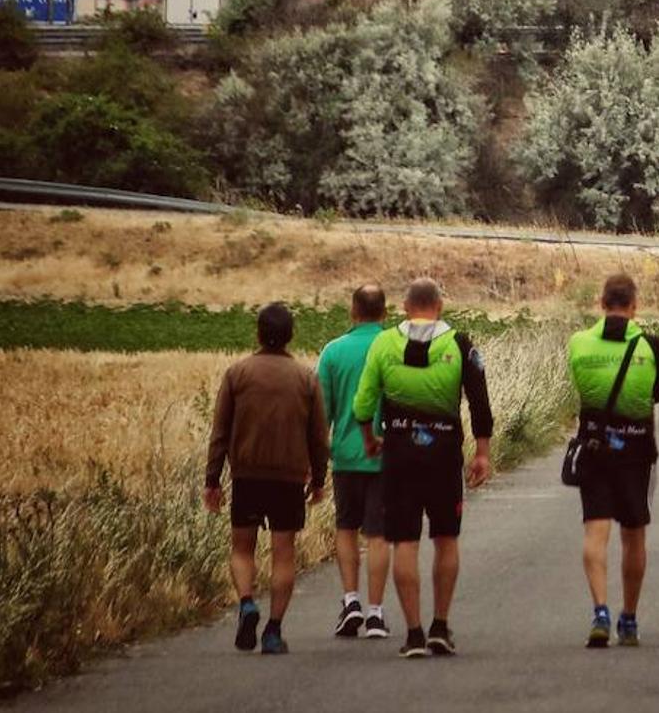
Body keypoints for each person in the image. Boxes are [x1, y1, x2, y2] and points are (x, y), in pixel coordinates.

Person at [353, 278, 493, 659]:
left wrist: (369, 437)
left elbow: (363, 404)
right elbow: (479, 401)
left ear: (403, 305)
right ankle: (440, 626)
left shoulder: (384, 343)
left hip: (398, 450)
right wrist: (482, 452)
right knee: (446, 538)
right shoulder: (460, 344)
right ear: (441, 305)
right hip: (444, 451)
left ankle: (413, 633)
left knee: (405, 542)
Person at [204, 303, 331, 655]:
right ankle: (273, 631)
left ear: (257, 332)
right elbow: (318, 437)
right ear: (291, 335)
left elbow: (220, 432)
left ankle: (246, 603)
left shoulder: (237, 374)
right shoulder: (306, 378)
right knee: (283, 554)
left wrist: (212, 479)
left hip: (247, 476)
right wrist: (318, 478)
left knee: (242, 548)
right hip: (289, 479)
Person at [568, 274, 659, 648]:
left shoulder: (579, 343)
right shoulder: (652, 345)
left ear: (601, 302)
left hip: (594, 447)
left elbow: (580, 386)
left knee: (595, 531)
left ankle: (600, 611)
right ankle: (628, 617)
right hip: (637, 450)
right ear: (634, 305)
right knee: (634, 535)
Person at [317, 284, 391, 639]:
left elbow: (321, 415)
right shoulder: (394, 347)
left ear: (352, 311)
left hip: (345, 456)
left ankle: (351, 602)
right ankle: (376, 613)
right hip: (386, 457)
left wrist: (318, 456)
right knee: (378, 535)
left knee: (346, 527)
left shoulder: (332, 352)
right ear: (386, 313)